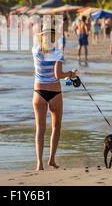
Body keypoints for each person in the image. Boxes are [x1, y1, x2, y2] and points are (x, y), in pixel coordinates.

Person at [32, 28, 77, 171]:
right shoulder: (57, 52)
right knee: (56, 127)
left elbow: (35, 37)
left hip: (39, 92)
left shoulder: (35, 51)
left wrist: (39, 35)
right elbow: (58, 75)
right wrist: (71, 74)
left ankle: (39, 163)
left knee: (40, 129)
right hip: (55, 92)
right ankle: (51, 159)